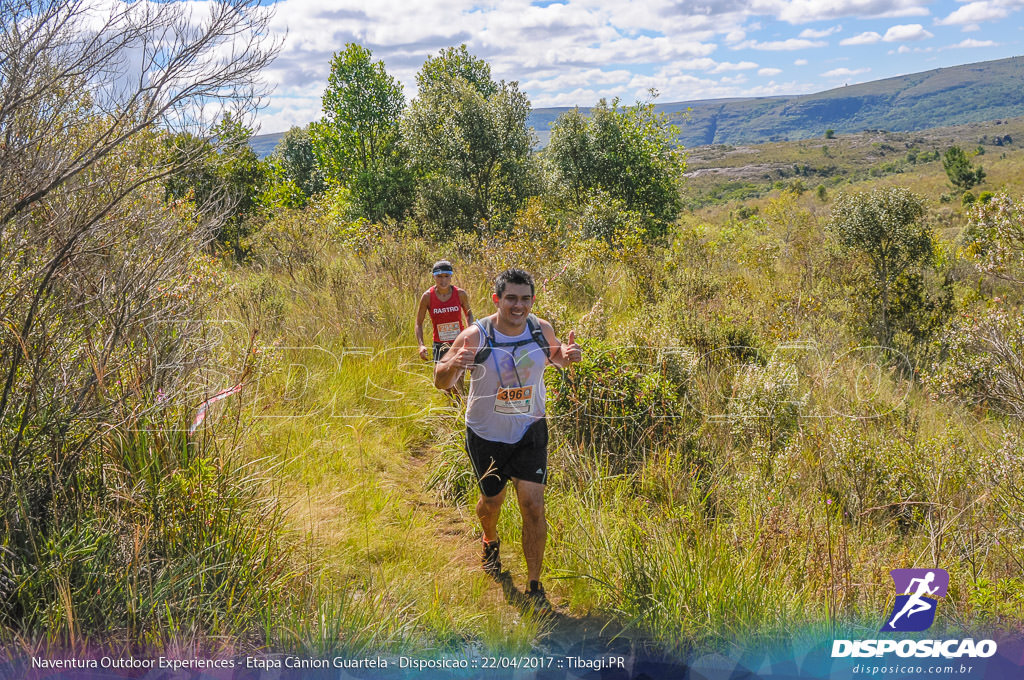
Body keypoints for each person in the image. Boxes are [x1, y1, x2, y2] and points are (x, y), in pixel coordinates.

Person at [434, 268, 581, 611]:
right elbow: (442, 381)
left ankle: (535, 587)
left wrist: (569, 356)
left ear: (532, 300)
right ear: (497, 300)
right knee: (493, 503)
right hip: (486, 434)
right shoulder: (475, 335)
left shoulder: (540, 329)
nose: (519, 306)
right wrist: (453, 361)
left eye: (525, 298)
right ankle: (490, 538)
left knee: (533, 506)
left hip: (530, 430)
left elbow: (556, 357)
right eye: (511, 298)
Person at [416, 259, 474, 367]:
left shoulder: (460, 294)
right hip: (439, 345)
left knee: (458, 378)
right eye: (439, 276)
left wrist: (470, 331)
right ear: (433, 276)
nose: (443, 280)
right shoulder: (427, 297)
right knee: (441, 381)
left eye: (447, 276)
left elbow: (469, 314)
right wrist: (421, 345)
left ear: (451, 276)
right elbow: (418, 323)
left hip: (459, 342)